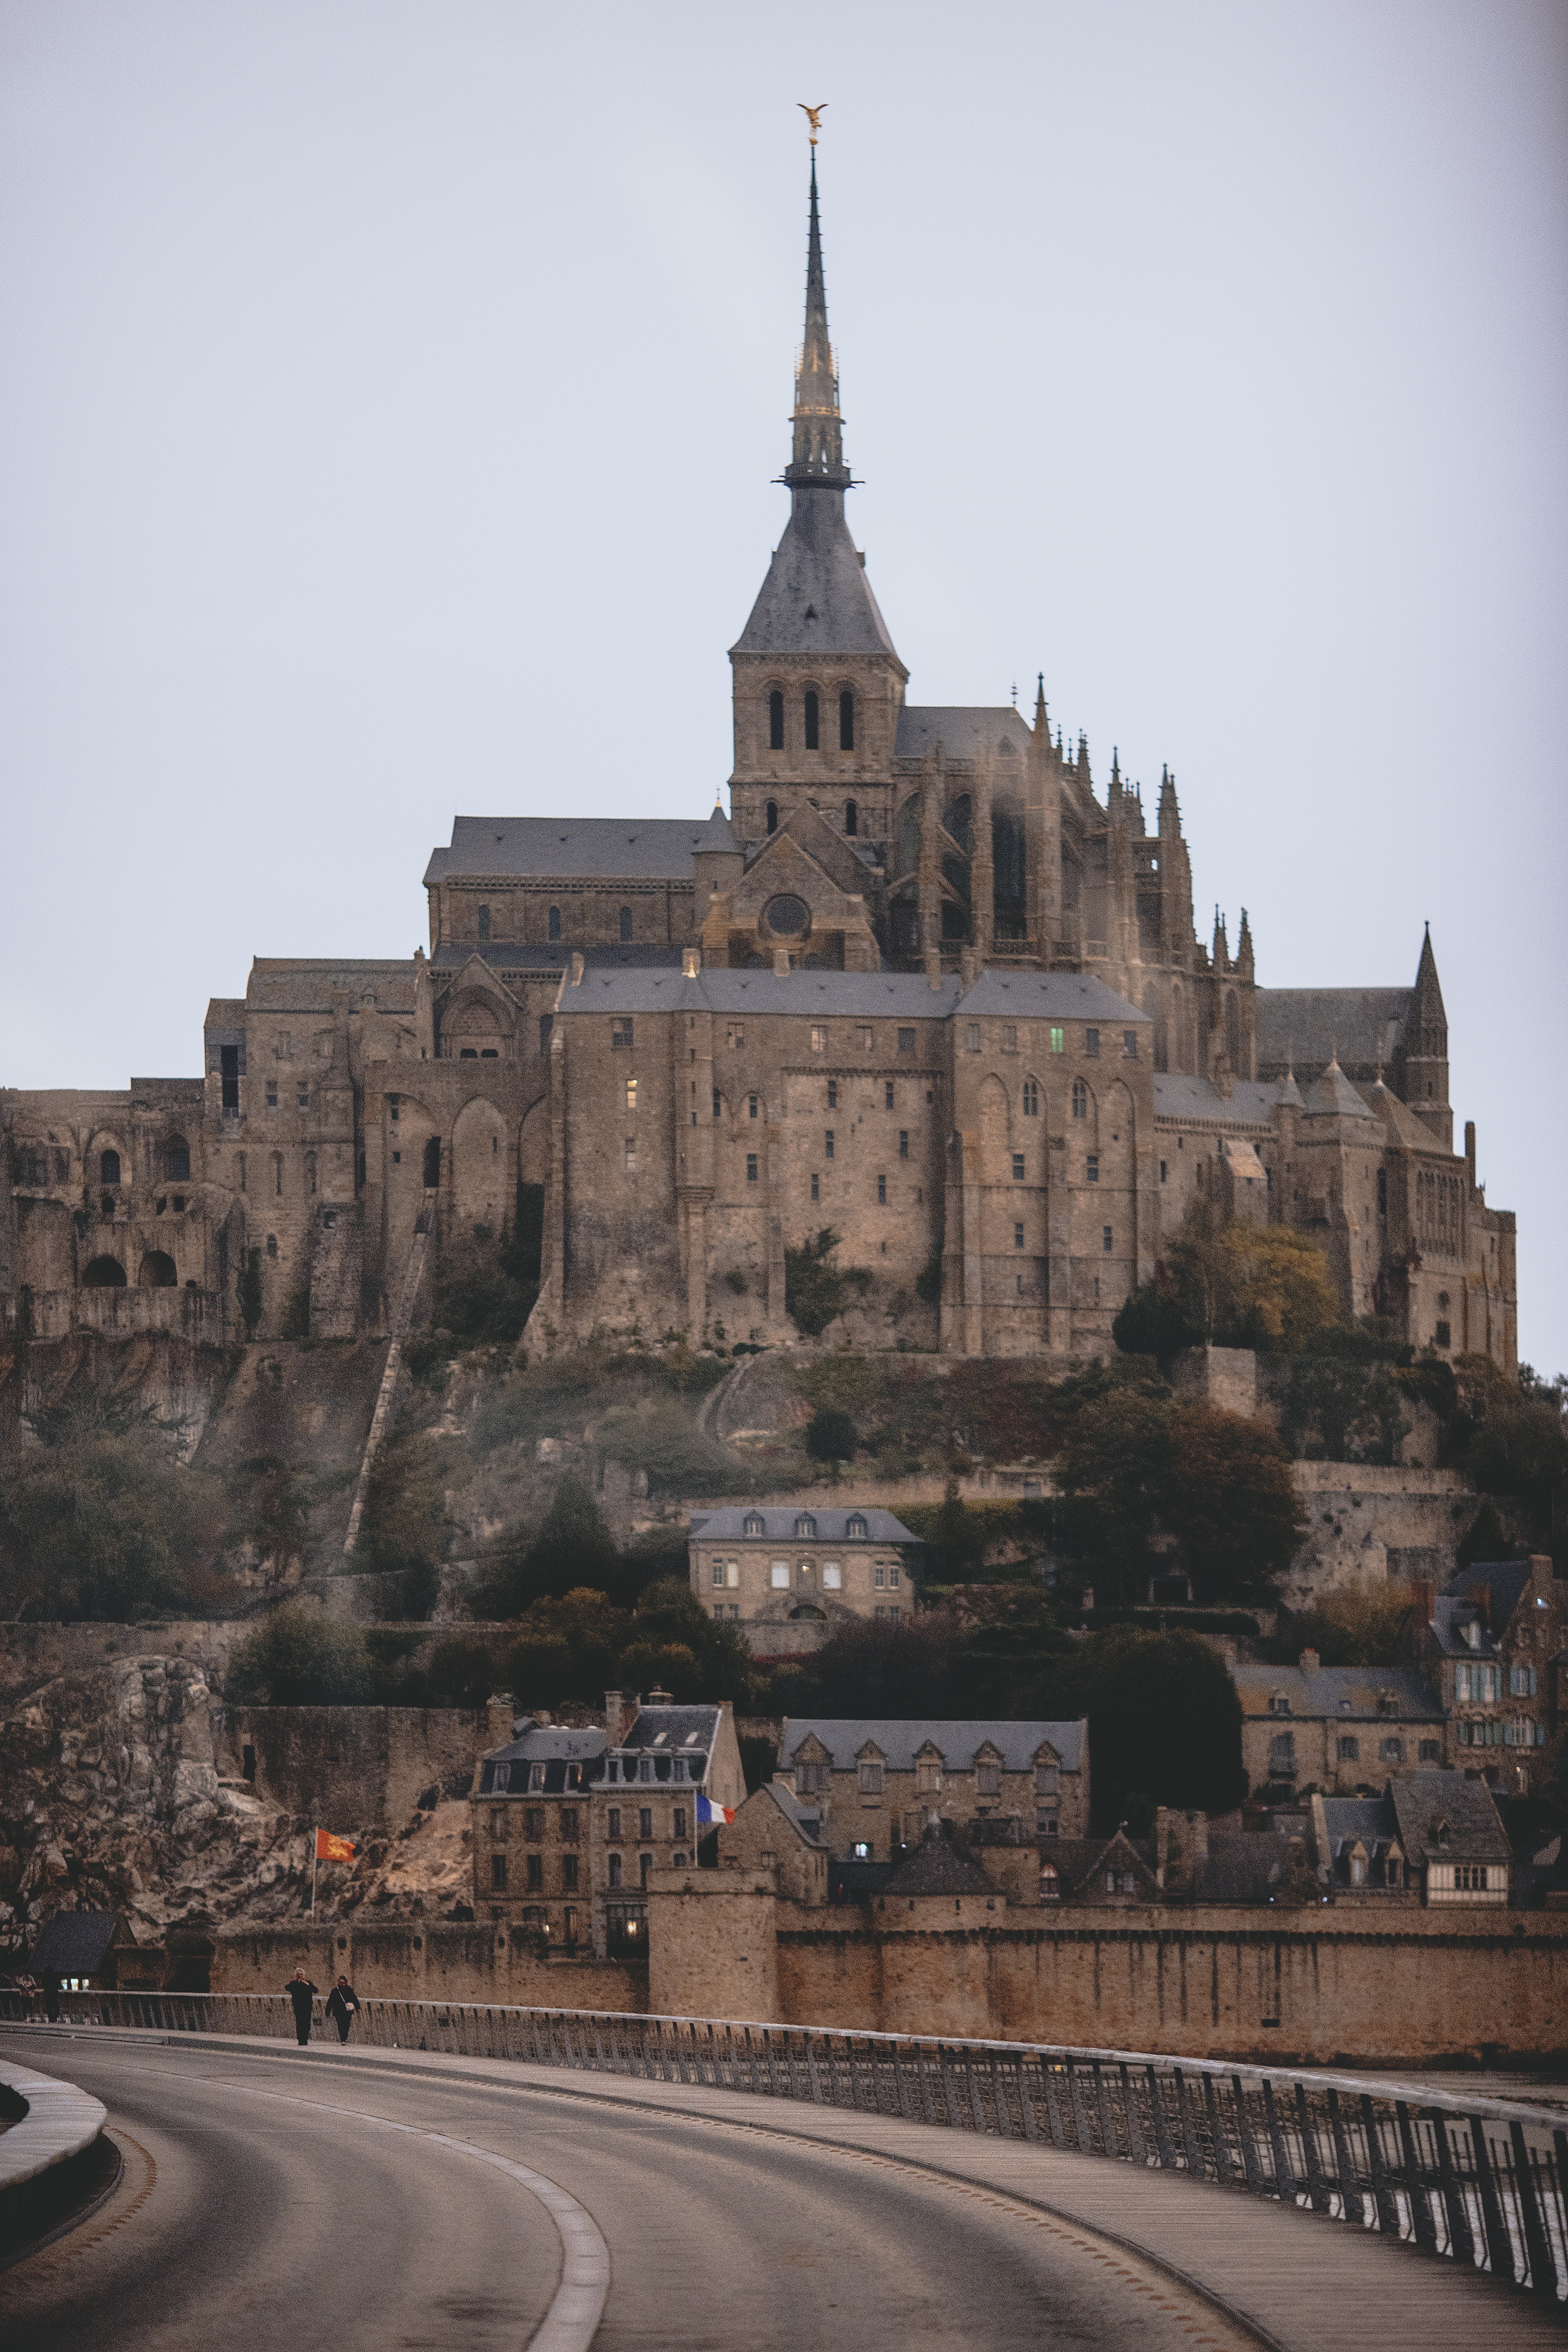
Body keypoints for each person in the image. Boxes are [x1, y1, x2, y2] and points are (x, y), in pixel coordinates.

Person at [284, 1968, 318, 2047]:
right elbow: (287, 1988)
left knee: (307, 2023)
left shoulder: (308, 1983)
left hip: (307, 2006)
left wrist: (307, 1984)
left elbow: (316, 1990)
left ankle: (305, 2039)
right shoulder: (294, 1984)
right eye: (298, 1975)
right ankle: (301, 2040)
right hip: (298, 2006)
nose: (300, 1976)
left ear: (304, 1975)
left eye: (301, 1974)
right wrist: (296, 1983)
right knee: (300, 2023)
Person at [324, 1975, 361, 2044]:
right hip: (338, 2011)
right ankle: (343, 2039)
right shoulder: (335, 1991)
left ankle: (345, 2038)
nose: (342, 1984)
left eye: (344, 1983)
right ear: (338, 1983)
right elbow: (330, 2001)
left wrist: (358, 2008)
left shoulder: (349, 1990)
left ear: (346, 1983)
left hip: (347, 2011)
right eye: (341, 1983)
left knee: (347, 2024)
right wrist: (328, 2011)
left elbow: (354, 1999)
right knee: (340, 2024)